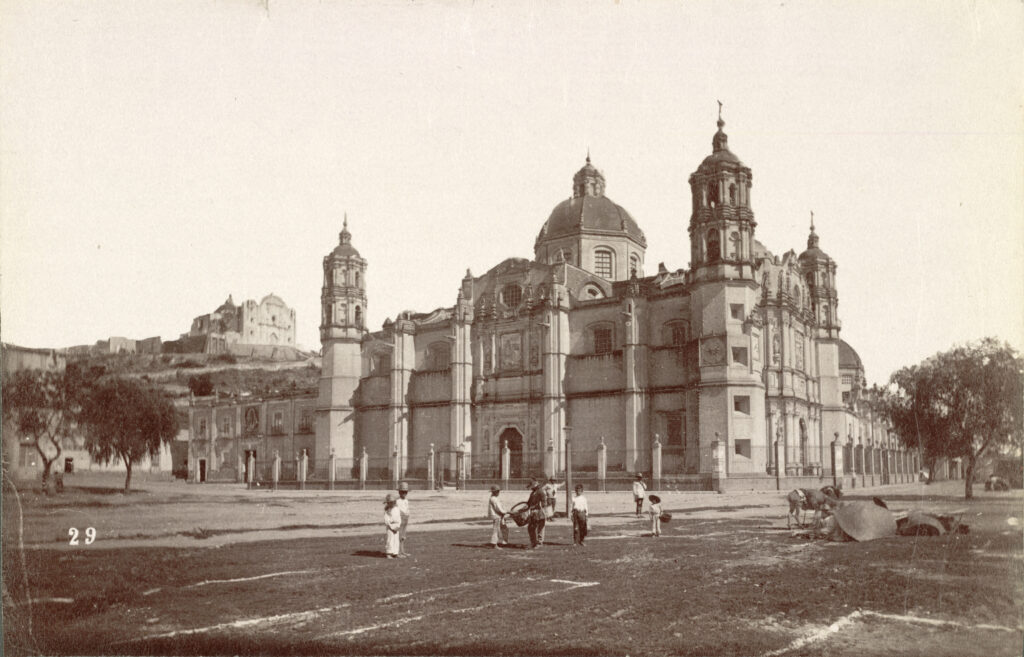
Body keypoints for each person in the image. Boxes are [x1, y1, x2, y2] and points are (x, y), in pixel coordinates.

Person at [526, 477, 547, 548]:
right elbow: (528, 503)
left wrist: (538, 507)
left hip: (540, 512)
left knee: (540, 528)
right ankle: (533, 542)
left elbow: (544, 503)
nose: (531, 488)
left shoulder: (541, 492)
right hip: (533, 513)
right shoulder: (532, 493)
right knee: (531, 528)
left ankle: (539, 543)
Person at [383, 494, 401, 558]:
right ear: (388, 503)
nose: (391, 504)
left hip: (396, 526)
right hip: (390, 527)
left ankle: (395, 553)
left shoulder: (396, 509)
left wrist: (398, 526)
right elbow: (386, 520)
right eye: (390, 503)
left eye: (393, 502)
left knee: (396, 540)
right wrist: (391, 527)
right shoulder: (387, 511)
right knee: (390, 539)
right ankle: (389, 553)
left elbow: (399, 518)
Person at [396, 481, 411, 557]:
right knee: (399, 535)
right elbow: (397, 510)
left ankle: (402, 551)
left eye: (405, 492)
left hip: (405, 519)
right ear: (399, 492)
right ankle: (398, 552)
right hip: (400, 519)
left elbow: (407, 509)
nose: (404, 493)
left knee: (403, 536)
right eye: (402, 492)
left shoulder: (406, 500)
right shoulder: (397, 501)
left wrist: (407, 513)